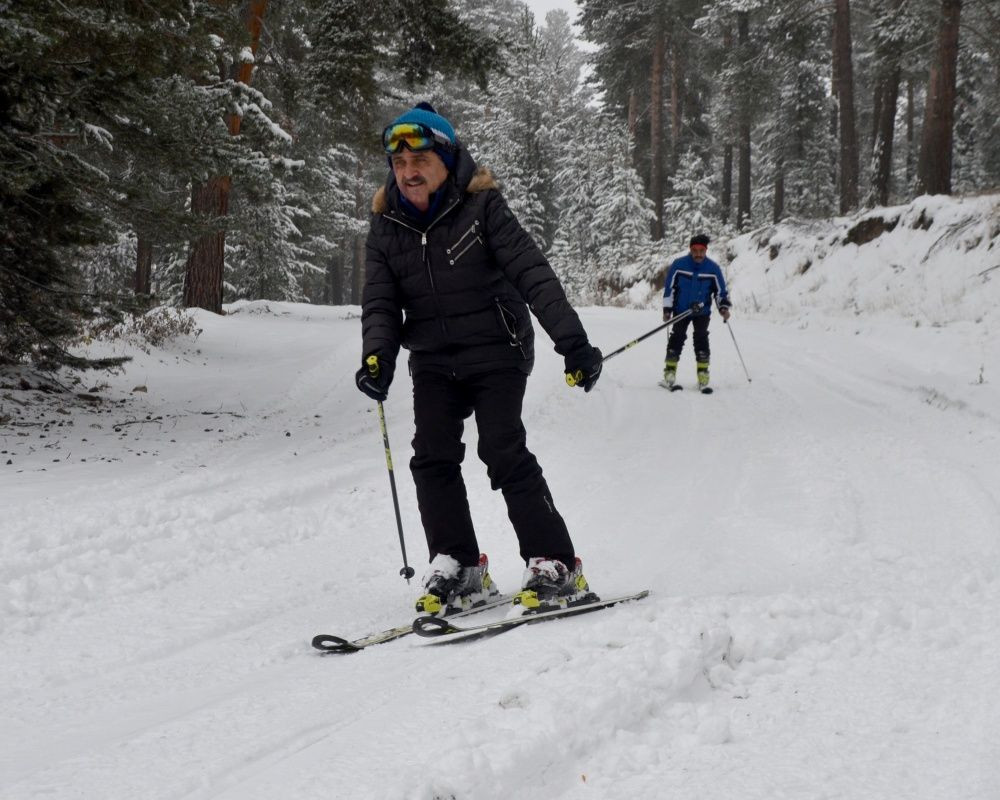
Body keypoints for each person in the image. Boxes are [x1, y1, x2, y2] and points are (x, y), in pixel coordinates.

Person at [355, 102, 603, 617]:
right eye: (399, 164)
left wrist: (573, 344)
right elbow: (380, 301)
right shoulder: (386, 224)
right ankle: (459, 565)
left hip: (497, 349)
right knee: (432, 455)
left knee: (502, 448)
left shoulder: (483, 206)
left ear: (447, 160)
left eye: (419, 161)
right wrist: (376, 356)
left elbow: (534, 274)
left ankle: (556, 562)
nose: (408, 173)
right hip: (433, 358)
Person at [661, 234, 732, 390]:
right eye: (695, 250)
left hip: (702, 311)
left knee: (701, 339)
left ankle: (703, 373)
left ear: (706, 250)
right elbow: (669, 288)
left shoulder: (713, 268)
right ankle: (670, 372)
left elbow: (720, 291)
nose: (698, 254)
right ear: (690, 250)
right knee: (677, 339)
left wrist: (723, 307)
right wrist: (667, 309)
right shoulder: (679, 265)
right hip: (681, 310)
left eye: (701, 251)